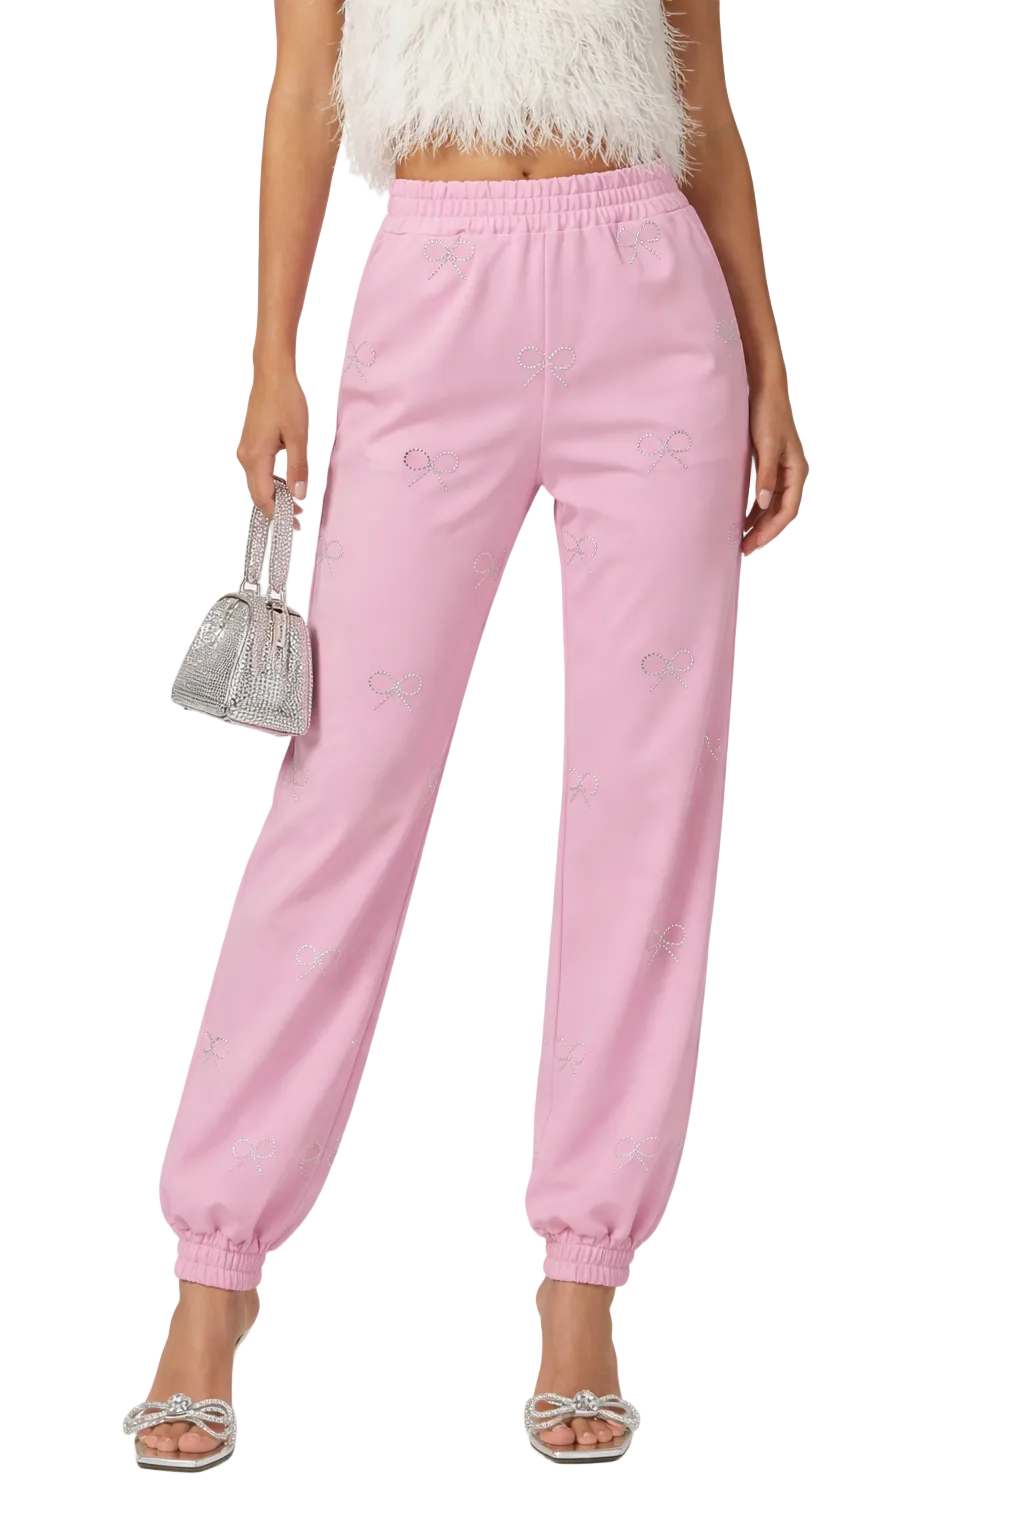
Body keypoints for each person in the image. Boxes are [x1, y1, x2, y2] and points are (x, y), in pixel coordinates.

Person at [123, 0, 807, 1469]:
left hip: (652, 305)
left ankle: (583, 1280)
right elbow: (302, 88)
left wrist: (769, 358)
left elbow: (703, 94)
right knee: (342, 793)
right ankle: (212, 1275)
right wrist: (269, 355)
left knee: (647, 802)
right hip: (435, 294)